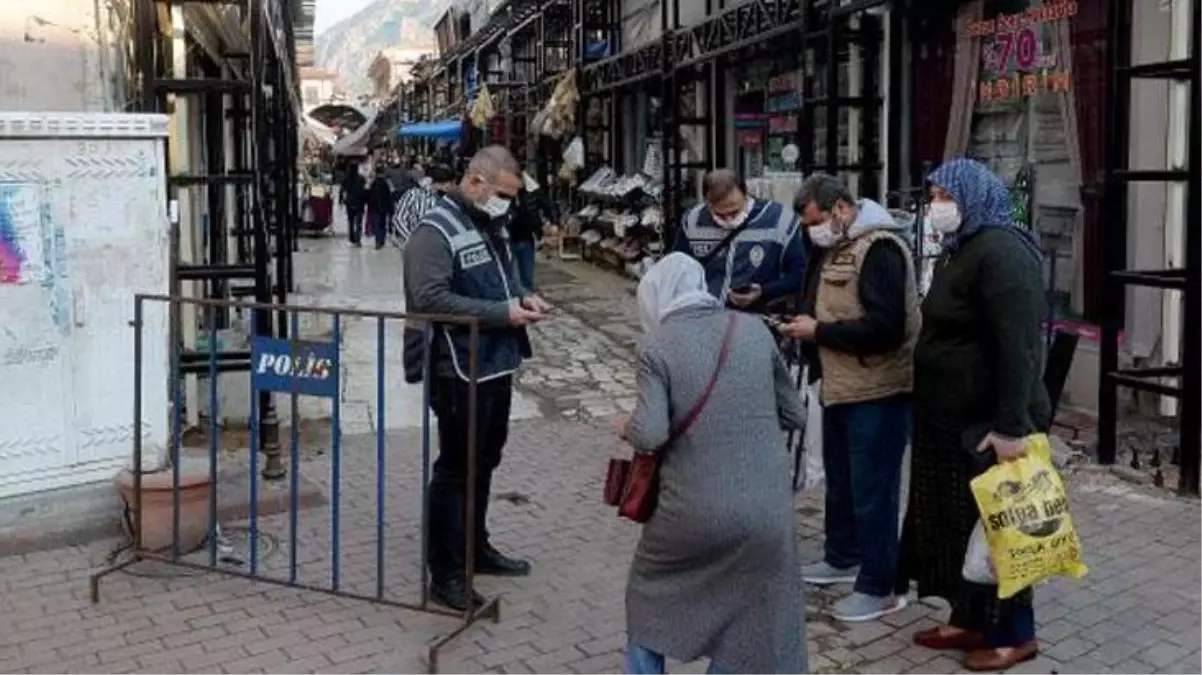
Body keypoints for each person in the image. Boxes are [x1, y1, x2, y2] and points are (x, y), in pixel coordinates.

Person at [619, 252, 807, 675]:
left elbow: (649, 434)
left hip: (691, 515)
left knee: (646, 596)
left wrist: (625, 426)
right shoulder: (755, 329)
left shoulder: (656, 347)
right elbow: (793, 414)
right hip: (768, 512)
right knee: (751, 616)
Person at [896, 158, 1048, 671]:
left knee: (1001, 528)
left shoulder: (1003, 253)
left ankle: (1014, 633)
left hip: (987, 424)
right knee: (956, 525)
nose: (936, 206)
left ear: (974, 197)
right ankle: (969, 618)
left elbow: (1019, 347)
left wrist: (1011, 428)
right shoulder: (964, 248)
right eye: (934, 195)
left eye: (945, 196)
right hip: (948, 420)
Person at [402, 145, 551, 611]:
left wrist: (525, 297)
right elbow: (428, 299)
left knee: (485, 459)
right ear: (475, 181)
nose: (507, 204)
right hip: (457, 368)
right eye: (503, 194)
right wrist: (501, 313)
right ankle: (445, 573)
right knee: (456, 468)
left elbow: (504, 280)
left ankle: (476, 547)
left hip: (495, 363)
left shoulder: (491, 224)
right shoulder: (433, 232)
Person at [780, 174, 920, 622]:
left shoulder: (879, 249)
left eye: (817, 221)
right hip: (839, 387)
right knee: (841, 482)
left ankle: (880, 585)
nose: (812, 231)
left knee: (873, 491)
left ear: (841, 207)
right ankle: (843, 557)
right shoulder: (835, 246)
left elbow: (887, 329)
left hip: (877, 391)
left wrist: (819, 331)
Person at [673, 169, 805, 312]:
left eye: (735, 211)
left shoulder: (780, 220)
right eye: (720, 215)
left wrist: (763, 291)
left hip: (758, 319)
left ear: (745, 194)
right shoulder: (693, 221)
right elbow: (676, 269)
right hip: (706, 318)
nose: (729, 219)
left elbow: (799, 274)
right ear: (707, 203)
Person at [507, 172, 554, 291]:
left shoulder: (532, 193)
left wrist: (552, 222)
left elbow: (548, 206)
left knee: (527, 277)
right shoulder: (504, 195)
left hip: (526, 239)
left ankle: (527, 301)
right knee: (511, 276)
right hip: (508, 240)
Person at [393, 164, 455, 247]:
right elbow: (399, 218)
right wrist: (411, 239)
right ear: (438, 183)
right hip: (418, 247)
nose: (451, 186)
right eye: (449, 183)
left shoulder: (448, 199)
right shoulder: (414, 194)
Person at [364, 164, 395, 249]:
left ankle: (378, 241)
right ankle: (382, 240)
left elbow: (369, 195)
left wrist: (369, 204)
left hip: (375, 208)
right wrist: (390, 208)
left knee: (377, 224)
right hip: (384, 208)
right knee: (383, 224)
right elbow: (390, 196)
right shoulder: (387, 183)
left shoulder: (373, 183)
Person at [339, 160, 367, 246]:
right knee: (358, 222)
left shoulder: (346, 179)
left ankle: (351, 238)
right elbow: (365, 191)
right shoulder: (362, 179)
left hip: (349, 202)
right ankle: (358, 239)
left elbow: (341, 190)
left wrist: (340, 200)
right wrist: (366, 200)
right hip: (359, 202)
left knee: (351, 221)